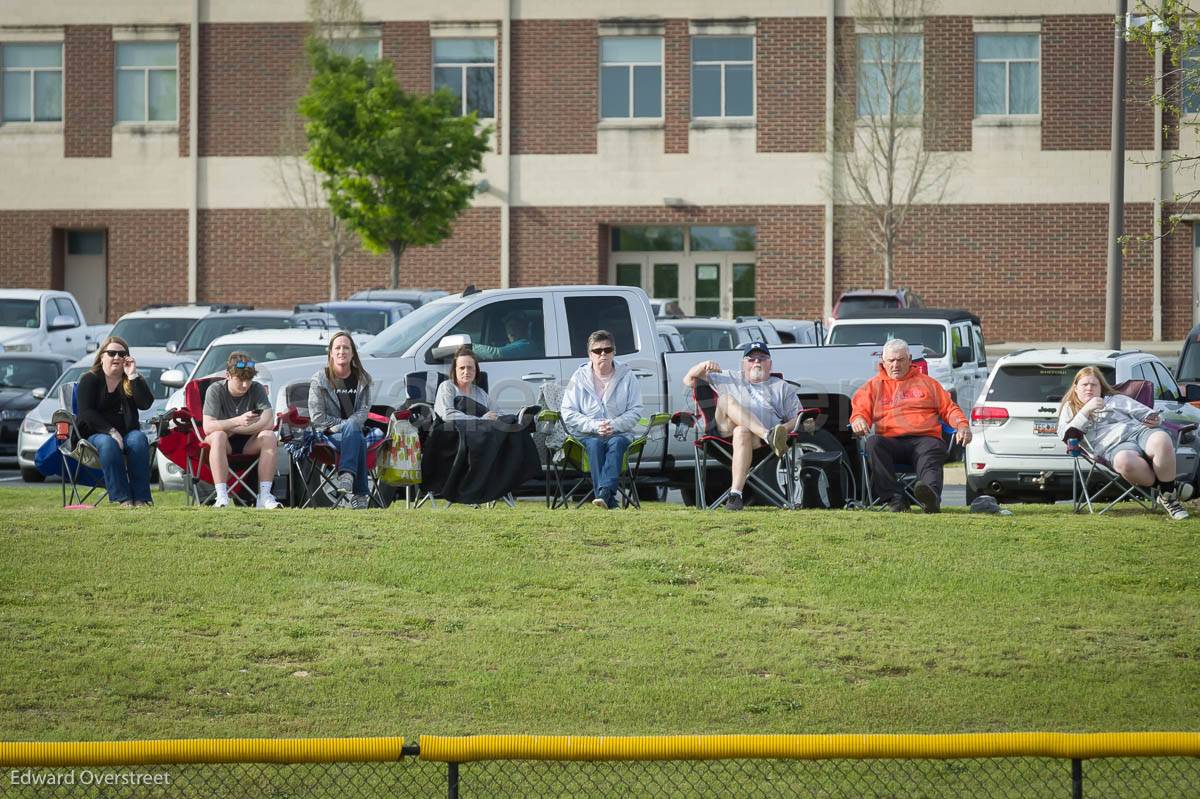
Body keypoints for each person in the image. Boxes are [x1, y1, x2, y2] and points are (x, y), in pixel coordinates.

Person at [850, 338, 970, 513]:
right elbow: (860, 411)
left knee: (932, 448)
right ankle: (895, 499)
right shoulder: (873, 386)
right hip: (891, 442)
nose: (895, 365)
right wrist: (858, 420)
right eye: (891, 361)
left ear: (910, 359)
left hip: (925, 439)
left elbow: (950, 409)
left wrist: (962, 426)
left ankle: (930, 498)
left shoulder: (929, 384)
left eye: (900, 360)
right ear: (883, 362)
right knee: (873, 443)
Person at [1058, 366, 1188, 520]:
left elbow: (1146, 413)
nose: (1089, 388)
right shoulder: (1070, 408)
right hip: (1113, 448)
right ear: (1075, 388)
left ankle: (1169, 497)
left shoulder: (1115, 399)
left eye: (1094, 385)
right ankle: (1169, 489)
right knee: (1124, 462)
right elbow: (1067, 435)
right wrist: (1086, 410)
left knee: (1162, 440)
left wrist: (1155, 419)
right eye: (1084, 385)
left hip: (1138, 432)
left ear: (1101, 388)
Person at [682, 341, 800, 511]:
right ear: (743, 364)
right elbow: (688, 380)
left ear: (770, 364)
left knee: (742, 430)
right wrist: (702, 365)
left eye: (762, 358)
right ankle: (768, 435)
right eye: (751, 359)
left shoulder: (782, 387)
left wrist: (782, 430)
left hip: (754, 442)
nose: (757, 362)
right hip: (724, 435)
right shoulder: (728, 377)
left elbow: (798, 418)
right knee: (725, 400)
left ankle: (735, 495)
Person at [561, 330, 643, 509]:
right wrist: (594, 426)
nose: (603, 354)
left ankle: (604, 494)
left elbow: (636, 410)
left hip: (619, 432)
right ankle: (607, 498)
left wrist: (613, 425)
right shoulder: (578, 377)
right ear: (590, 355)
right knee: (594, 445)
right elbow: (567, 411)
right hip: (587, 434)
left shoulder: (628, 376)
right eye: (598, 351)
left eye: (607, 349)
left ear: (614, 352)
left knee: (616, 443)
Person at [74, 335, 155, 507]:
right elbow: (86, 412)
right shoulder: (90, 379)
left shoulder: (130, 380)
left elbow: (146, 403)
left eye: (121, 353)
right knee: (108, 443)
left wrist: (133, 375)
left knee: (139, 439)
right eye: (111, 353)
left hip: (128, 433)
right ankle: (123, 499)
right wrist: (111, 431)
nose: (117, 357)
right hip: (95, 435)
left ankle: (140, 499)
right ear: (102, 356)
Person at [201, 351, 281, 509]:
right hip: (224, 443)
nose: (245, 385)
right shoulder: (215, 390)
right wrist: (237, 421)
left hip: (249, 441)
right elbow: (208, 426)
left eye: (249, 379)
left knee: (269, 436)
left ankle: (264, 496)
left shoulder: (256, 388)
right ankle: (221, 496)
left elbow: (268, 421)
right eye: (240, 379)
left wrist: (237, 428)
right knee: (218, 436)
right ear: (228, 375)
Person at [308, 331, 374, 510]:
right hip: (328, 433)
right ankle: (359, 494)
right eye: (337, 347)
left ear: (353, 353)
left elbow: (363, 412)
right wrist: (346, 425)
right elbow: (317, 417)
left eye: (346, 347)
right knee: (356, 436)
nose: (341, 351)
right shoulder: (320, 379)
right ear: (330, 352)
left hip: (355, 431)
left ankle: (346, 476)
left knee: (356, 434)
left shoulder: (363, 379)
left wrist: (351, 425)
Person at [434, 346, 498, 421]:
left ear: (476, 370)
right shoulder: (447, 387)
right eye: (462, 368)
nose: (466, 372)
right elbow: (447, 415)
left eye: (470, 367)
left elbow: (499, 413)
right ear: (455, 370)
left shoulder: (481, 393)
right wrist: (481, 419)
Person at [472, 314, 538, 361]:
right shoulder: (511, 345)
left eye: (515, 325)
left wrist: (468, 346)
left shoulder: (525, 345)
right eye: (509, 326)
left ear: (524, 328)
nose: (511, 329)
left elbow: (496, 354)